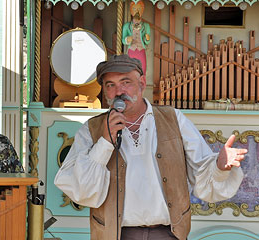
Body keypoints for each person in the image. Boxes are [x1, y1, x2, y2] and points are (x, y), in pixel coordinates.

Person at [54, 55, 247, 240]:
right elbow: (81, 192)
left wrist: (220, 167)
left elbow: (202, 169)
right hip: (116, 235)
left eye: (126, 82)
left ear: (142, 84)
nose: (119, 91)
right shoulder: (91, 129)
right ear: (104, 92)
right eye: (110, 85)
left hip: (169, 234)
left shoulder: (173, 118)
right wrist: (104, 142)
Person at [122, 0, 150, 75]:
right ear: (131, 10)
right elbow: (123, 40)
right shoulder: (127, 26)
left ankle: (141, 84)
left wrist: (147, 38)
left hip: (141, 50)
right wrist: (127, 39)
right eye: (134, 9)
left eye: (139, 9)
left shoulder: (146, 26)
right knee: (130, 69)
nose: (137, 11)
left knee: (142, 69)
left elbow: (147, 41)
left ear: (142, 10)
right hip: (131, 49)